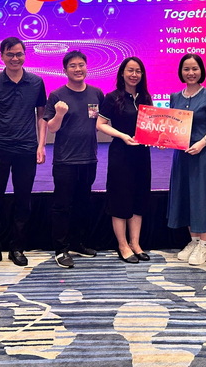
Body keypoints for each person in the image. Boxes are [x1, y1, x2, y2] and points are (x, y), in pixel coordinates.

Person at [0, 37, 47, 270]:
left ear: (25, 55)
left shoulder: (36, 82)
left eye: (19, 54)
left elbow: (41, 116)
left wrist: (41, 145)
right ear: (2, 56)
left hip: (26, 149)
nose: (15, 58)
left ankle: (17, 248)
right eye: (10, 54)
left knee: (23, 200)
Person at [44, 51, 105, 268]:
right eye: (72, 66)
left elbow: (100, 123)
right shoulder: (57, 95)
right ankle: (61, 249)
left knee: (83, 203)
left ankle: (78, 244)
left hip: (89, 159)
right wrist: (59, 114)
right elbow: (51, 127)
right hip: (65, 161)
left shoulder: (96, 94)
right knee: (62, 206)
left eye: (81, 65)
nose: (78, 69)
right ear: (65, 70)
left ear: (86, 67)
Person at [168, 53, 206, 266]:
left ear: (201, 70)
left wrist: (203, 143)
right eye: (186, 69)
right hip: (182, 155)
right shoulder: (175, 97)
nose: (191, 73)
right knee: (186, 196)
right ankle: (193, 241)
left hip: (203, 154)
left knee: (203, 197)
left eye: (195, 68)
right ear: (181, 72)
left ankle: (204, 244)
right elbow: (171, 125)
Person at [97, 57, 153, 264]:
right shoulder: (112, 97)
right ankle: (123, 245)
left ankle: (135, 243)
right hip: (121, 153)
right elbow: (100, 124)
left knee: (139, 197)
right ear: (122, 73)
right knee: (120, 198)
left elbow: (153, 126)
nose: (134, 74)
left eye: (138, 71)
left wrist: (160, 139)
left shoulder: (146, 97)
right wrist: (122, 135)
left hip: (142, 154)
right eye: (130, 70)